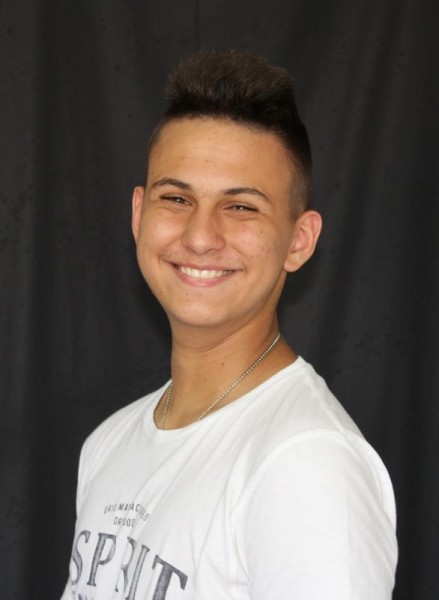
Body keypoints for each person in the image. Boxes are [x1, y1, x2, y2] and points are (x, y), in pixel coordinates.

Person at [61, 50, 397, 600]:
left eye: (240, 207)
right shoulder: (108, 443)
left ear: (299, 241)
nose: (200, 237)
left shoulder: (308, 465)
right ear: (139, 214)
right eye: (177, 198)